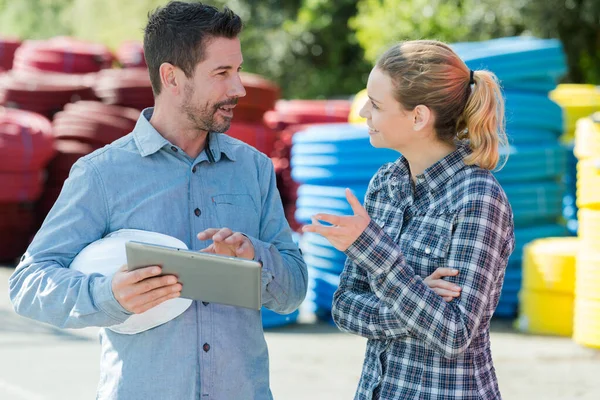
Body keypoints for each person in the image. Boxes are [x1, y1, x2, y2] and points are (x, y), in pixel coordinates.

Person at [9, 2, 307, 399]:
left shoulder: (253, 169)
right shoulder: (101, 174)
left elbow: (294, 290)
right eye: (222, 73)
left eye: (237, 70)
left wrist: (255, 256)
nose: (239, 88)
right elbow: (28, 284)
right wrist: (108, 296)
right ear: (171, 77)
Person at [303, 40, 515, 400]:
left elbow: (453, 333)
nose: (363, 113)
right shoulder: (385, 185)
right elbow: (344, 307)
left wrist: (377, 256)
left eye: (377, 104)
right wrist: (415, 303)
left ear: (418, 117)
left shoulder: (478, 198)